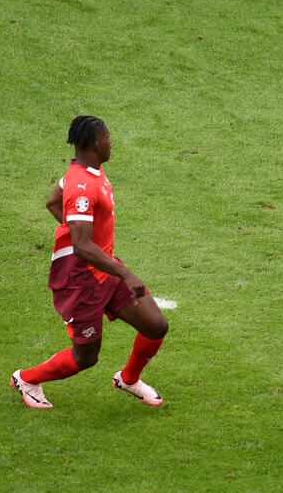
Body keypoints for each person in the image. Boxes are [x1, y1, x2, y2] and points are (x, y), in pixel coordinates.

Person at [10, 115, 169, 408]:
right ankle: (27, 379)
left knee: (156, 325)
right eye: (107, 137)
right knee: (86, 358)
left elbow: (53, 202)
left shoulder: (90, 170)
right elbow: (82, 247)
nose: (111, 142)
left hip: (104, 268)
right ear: (95, 144)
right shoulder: (82, 186)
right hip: (80, 280)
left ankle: (129, 378)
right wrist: (126, 273)